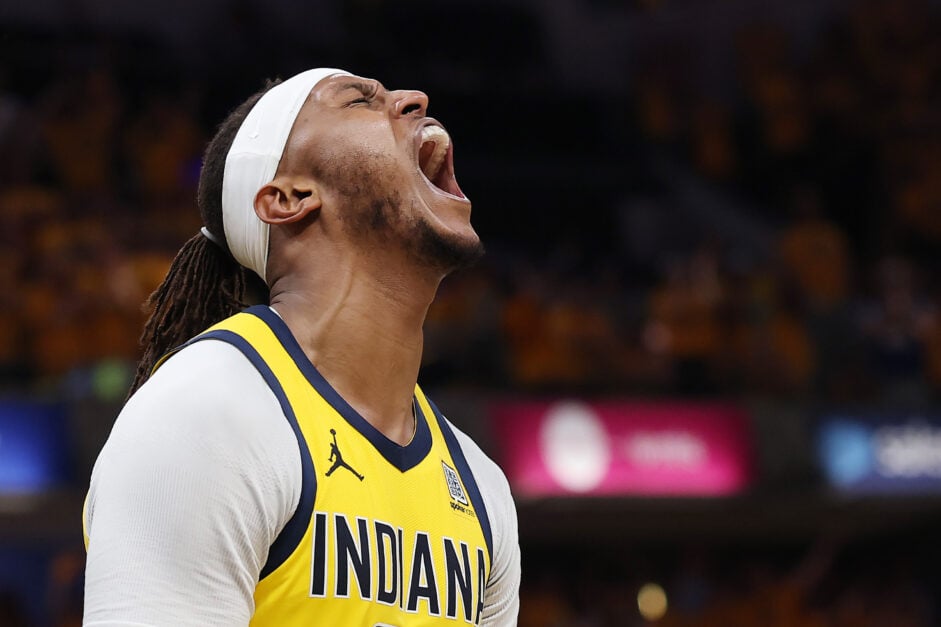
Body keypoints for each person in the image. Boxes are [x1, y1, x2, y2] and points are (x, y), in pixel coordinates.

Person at [82, 67, 521, 626]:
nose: (415, 98)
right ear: (289, 198)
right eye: (360, 101)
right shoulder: (208, 413)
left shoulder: (480, 486)